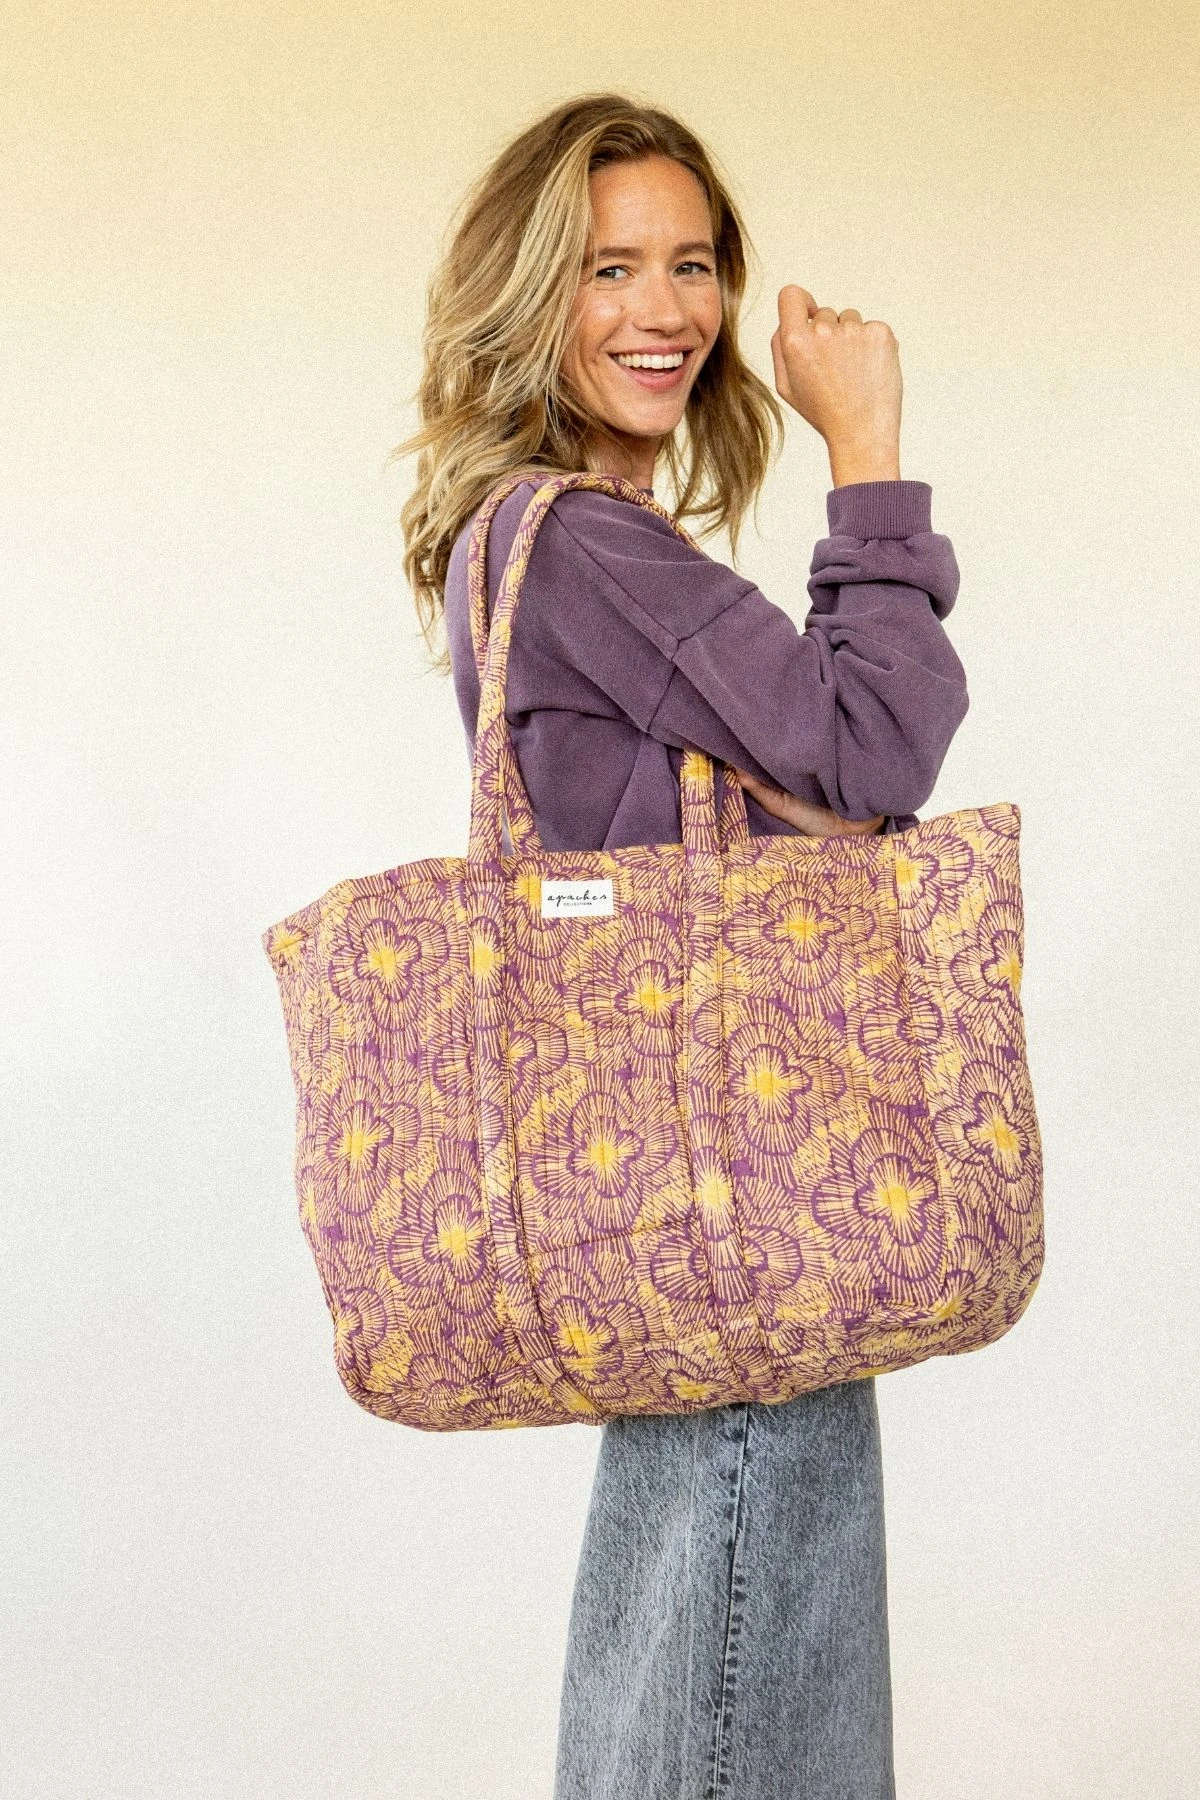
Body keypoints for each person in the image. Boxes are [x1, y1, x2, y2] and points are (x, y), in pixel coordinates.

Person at [399, 94, 968, 1800]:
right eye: (607, 269)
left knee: (685, 1680)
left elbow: (826, 781)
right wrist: (868, 447)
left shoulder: (550, 542)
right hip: (742, 1199)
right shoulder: (583, 545)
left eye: (693, 264)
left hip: (688, 1190)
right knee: (748, 1694)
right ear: (527, 298)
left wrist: (817, 792)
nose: (665, 310)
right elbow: (875, 749)